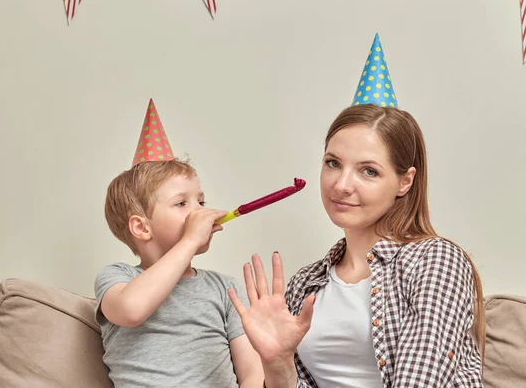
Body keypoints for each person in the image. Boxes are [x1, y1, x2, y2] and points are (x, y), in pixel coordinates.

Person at [228, 103, 485, 388]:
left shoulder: (436, 261)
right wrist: (278, 365)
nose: (341, 185)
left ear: (405, 181)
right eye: (333, 163)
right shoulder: (305, 283)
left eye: (368, 171)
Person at [94, 99, 264, 388]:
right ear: (141, 227)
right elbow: (131, 310)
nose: (198, 211)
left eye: (201, 201)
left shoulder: (225, 289)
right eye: (181, 203)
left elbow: (252, 374)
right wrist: (189, 240)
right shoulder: (117, 278)